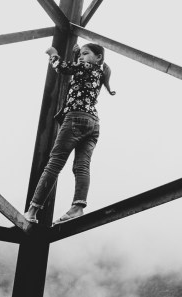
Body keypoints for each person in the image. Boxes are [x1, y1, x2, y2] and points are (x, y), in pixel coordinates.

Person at [25, 43, 115, 225]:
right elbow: (79, 71)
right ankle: (77, 207)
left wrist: (53, 54)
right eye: (80, 54)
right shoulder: (98, 72)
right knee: (81, 166)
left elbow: (62, 68)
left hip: (76, 118)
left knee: (54, 163)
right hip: (93, 124)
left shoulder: (86, 66)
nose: (81, 57)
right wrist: (77, 54)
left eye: (86, 53)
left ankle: (33, 210)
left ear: (98, 57)